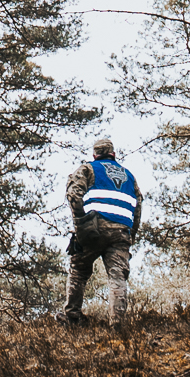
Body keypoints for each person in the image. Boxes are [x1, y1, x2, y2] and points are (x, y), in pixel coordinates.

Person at [63, 138, 141, 325]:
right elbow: (138, 208)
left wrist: (80, 224)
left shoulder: (88, 169)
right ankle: (117, 324)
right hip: (121, 232)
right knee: (118, 276)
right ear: (113, 154)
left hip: (93, 229)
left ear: (94, 155)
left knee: (78, 270)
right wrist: (131, 235)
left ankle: (72, 317)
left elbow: (73, 194)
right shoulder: (129, 176)